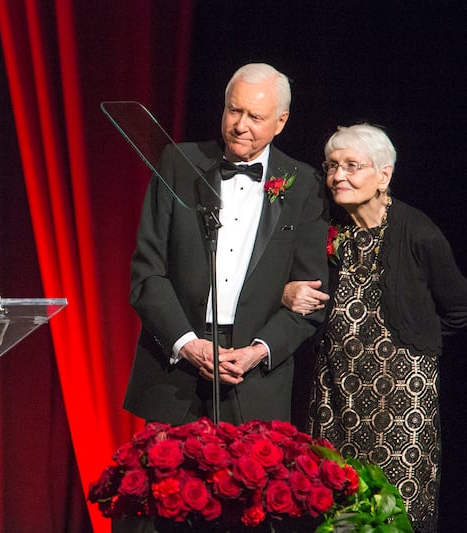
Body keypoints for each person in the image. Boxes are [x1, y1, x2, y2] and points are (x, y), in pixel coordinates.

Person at [122, 63, 329, 427]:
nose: (240, 125)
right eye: (234, 110)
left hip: (255, 378)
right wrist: (187, 343)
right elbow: (147, 272)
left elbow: (311, 298)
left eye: (255, 116)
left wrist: (258, 351)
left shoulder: (304, 185)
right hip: (176, 370)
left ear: (281, 122)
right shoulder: (179, 163)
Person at [283, 123, 467, 531]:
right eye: (332, 166)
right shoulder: (326, 230)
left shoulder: (417, 231)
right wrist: (285, 292)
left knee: (394, 513)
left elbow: (459, 308)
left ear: (384, 175)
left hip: (402, 403)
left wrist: (417, 348)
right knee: (334, 507)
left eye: (352, 165)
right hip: (335, 392)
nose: (338, 176)